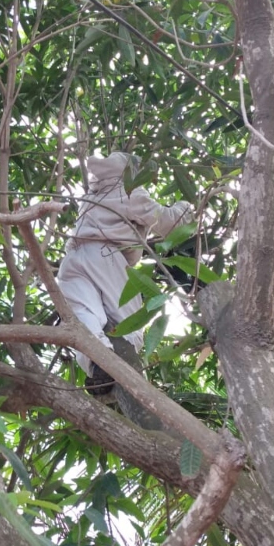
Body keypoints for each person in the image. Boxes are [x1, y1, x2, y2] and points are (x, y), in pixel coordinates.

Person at [56, 151, 194, 394]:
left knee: (84, 314)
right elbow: (170, 222)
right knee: (129, 320)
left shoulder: (93, 196)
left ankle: (96, 363)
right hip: (105, 256)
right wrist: (190, 206)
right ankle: (123, 366)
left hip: (72, 260)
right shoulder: (130, 192)